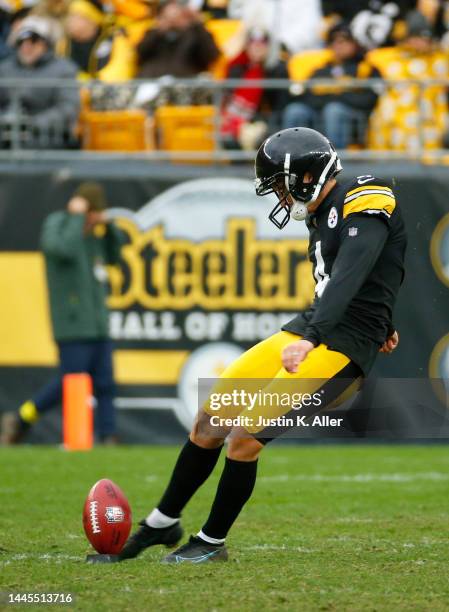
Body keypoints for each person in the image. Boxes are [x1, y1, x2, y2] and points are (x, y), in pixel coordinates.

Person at [114, 127, 407, 564]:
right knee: (210, 420)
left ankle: (211, 543)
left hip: (342, 342)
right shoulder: (321, 210)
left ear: (304, 176)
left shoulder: (366, 196)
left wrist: (323, 335)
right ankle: (162, 523)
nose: (279, 197)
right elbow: (356, 277)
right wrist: (374, 321)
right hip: (317, 325)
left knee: (244, 439)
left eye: (280, 186)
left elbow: (353, 271)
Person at [0, 182, 123, 446]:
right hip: (73, 325)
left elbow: (114, 256)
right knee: (70, 383)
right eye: (93, 213)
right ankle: (21, 418)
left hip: (98, 324)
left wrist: (109, 226)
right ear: (82, 208)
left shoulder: (95, 238)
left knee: (105, 384)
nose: (94, 219)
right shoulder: (58, 224)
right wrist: (77, 217)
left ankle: (108, 437)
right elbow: (62, 249)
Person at [282, 22, 381, 149]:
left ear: (354, 43)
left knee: (333, 110)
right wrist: (336, 95)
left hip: (354, 121)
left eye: (344, 41)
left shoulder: (366, 68)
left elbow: (369, 100)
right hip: (319, 116)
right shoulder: (320, 70)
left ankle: (334, 161)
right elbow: (306, 96)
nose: (338, 45)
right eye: (333, 42)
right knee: (295, 110)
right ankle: (291, 156)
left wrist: (335, 97)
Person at [0, 15, 79, 149]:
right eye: (21, 41)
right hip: (6, 138)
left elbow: (68, 108)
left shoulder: (64, 70)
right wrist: (6, 121)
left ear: (46, 43)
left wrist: (33, 123)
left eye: (33, 40)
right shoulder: (4, 68)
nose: (26, 46)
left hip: (49, 141)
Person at [220, 28, 289, 150]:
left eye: (262, 44)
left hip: (267, 121)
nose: (257, 48)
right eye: (253, 43)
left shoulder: (277, 69)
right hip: (239, 121)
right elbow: (227, 101)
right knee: (229, 139)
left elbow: (280, 106)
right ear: (247, 46)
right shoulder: (236, 68)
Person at [136, 1, 220, 78]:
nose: (173, 19)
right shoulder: (154, 33)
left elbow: (212, 56)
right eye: (166, 16)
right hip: (153, 81)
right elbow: (139, 54)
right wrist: (158, 30)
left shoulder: (195, 33)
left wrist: (197, 25)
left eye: (177, 14)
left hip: (185, 83)